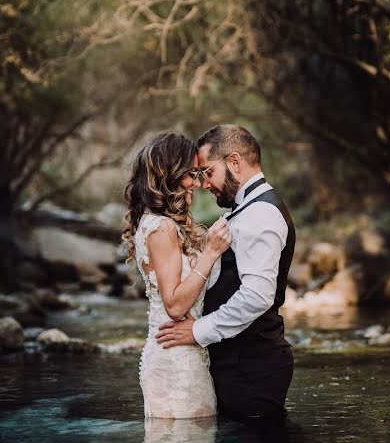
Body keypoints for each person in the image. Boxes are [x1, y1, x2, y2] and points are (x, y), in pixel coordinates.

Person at [156, 124, 296, 424]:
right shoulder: (247, 209)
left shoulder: (261, 213)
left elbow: (257, 297)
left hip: (251, 369)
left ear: (234, 162)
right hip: (240, 364)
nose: (204, 183)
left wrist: (198, 330)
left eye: (207, 172)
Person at [122, 131, 233, 419]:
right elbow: (174, 306)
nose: (196, 183)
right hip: (176, 362)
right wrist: (210, 253)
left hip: (181, 354)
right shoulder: (162, 228)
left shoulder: (156, 223)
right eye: (190, 174)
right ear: (169, 174)